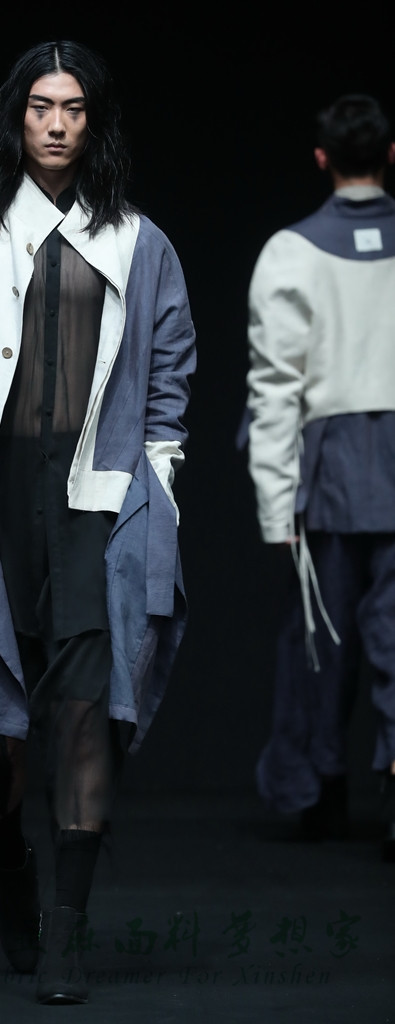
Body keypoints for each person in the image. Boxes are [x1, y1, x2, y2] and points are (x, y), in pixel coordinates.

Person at [0, 40, 196, 1004]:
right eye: (40, 106)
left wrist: (158, 482)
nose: (57, 123)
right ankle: (9, 863)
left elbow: (169, 370)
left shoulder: (141, 243)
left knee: (82, 721)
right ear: (16, 117)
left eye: (72, 107)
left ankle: (66, 929)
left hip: (94, 506)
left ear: (93, 120)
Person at [244, 93, 395, 861]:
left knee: (319, 638)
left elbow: (274, 389)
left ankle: (318, 794)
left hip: (329, 468)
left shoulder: (290, 253)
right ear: (390, 156)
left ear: (321, 159)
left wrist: (274, 505)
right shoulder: (291, 252)